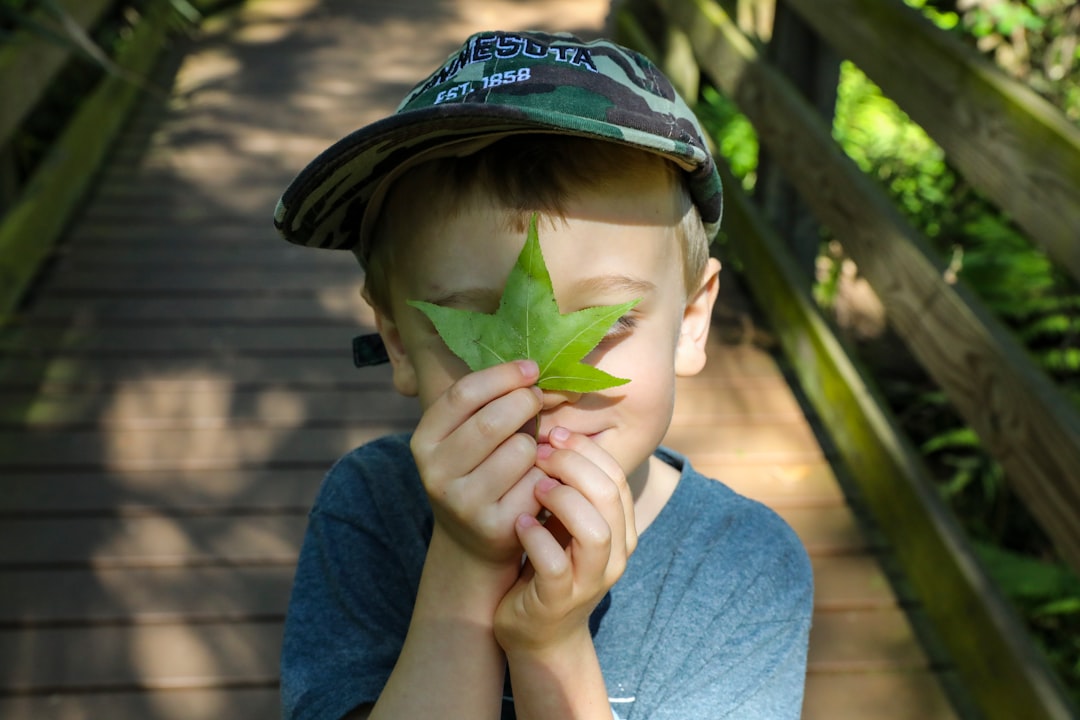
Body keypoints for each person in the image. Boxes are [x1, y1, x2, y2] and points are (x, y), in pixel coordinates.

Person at [273, 29, 813, 720]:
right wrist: (465, 569)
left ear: (691, 320)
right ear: (399, 342)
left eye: (608, 321)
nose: (543, 388)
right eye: (471, 322)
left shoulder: (745, 570)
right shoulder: (369, 510)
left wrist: (552, 648)